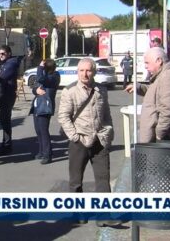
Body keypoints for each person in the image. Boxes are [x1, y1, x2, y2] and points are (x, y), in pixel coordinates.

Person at [57, 58, 114, 225]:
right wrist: (74, 136)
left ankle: (104, 216)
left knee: (103, 179)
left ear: (94, 72)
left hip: (99, 140)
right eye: (81, 70)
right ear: (77, 72)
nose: (85, 74)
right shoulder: (70, 91)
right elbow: (63, 117)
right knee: (76, 180)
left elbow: (107, 113)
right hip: (79, 141)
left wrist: (109, 131)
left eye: (88, 70)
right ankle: (78, 213)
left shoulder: (101, 90)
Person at [125, 47, 170, 143]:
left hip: (166, 137)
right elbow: (157, 91)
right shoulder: (164, 75)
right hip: (163, 136)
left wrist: (159, 134)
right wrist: (139, 87)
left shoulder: (169, 77)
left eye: (147, 63)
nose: (146, 66)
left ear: (159, 61)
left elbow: (168, 110)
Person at [30, 59, 60, 164]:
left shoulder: (54, 76)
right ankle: (41, 152)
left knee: (44, 131)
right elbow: (35, 87)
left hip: (45, 107)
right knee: (38, 130)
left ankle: (48, 154)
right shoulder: (44, 75)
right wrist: (36, 91)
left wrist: (39, 68)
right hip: (37, 105)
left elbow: (41, 79)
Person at [0, 45, 19, 155]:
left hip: (8, 95)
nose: (0, 55)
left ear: (9, 54)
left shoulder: (11, 63)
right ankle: (5, 142)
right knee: (3, 120)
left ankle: (7, 145)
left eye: (3, 54)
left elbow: (2, 76)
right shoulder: (5, 64)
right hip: (5, 94)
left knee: (5, 120)